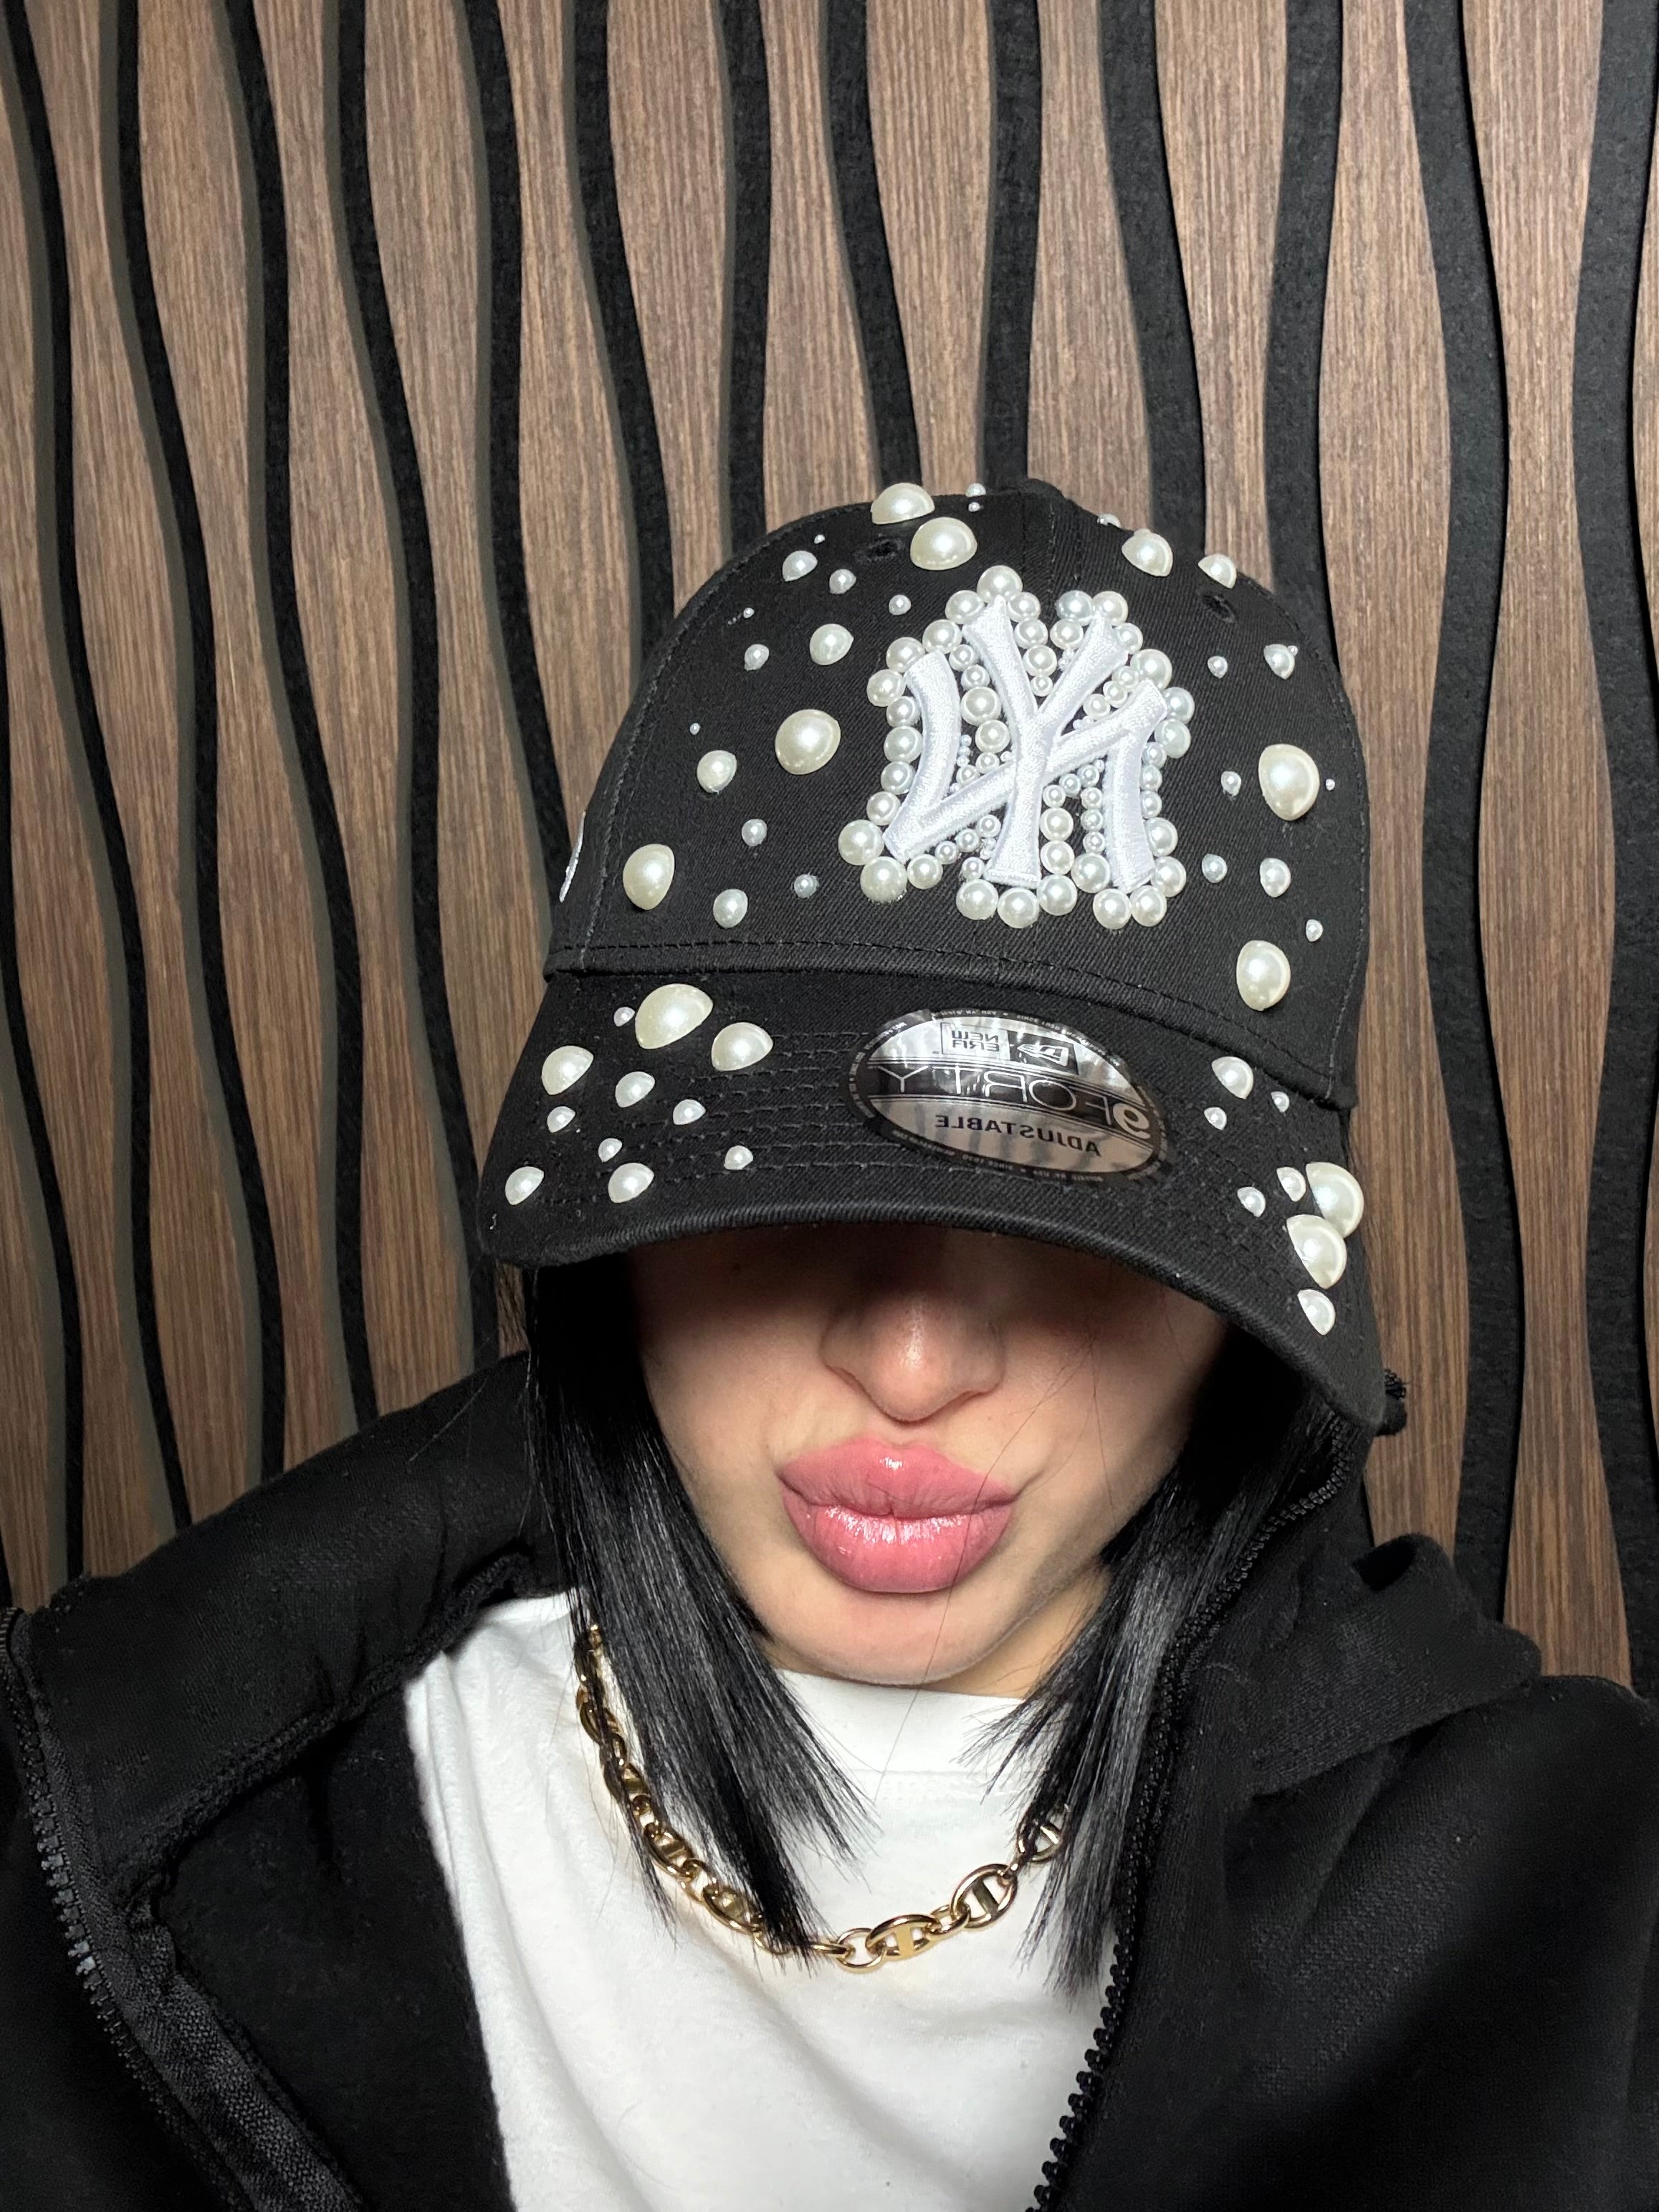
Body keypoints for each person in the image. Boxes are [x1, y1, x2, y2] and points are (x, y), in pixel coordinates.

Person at [3, 480, 1657, 2212]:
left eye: (1086, 1229)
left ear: (1236, 1301)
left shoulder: (1583, 1912)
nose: (916, 1364)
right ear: (624, 1241)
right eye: (781, 1183)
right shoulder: (137, 1812)